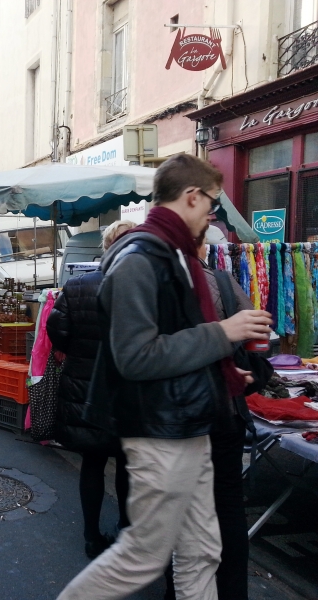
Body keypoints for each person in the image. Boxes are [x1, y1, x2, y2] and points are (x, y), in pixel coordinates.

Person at [57, 153, 272, 600]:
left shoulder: (171, 255)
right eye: (211, 205)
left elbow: (173, 340)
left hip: (187, 423)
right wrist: (223, 333)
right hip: (159, 429)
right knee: (144, 556)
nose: (212, 217)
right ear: (192, 197)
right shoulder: (141, 258)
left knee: (202, 551)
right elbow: (135, 357)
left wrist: (222, 370)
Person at [161, 227, 265, 600]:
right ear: (203, 244)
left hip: (176, 418)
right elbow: (259, 343)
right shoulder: (221, 281)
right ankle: (232, 592)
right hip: (225, 413)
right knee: (228, 506)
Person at [46, 220, 135, 560]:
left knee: (93, 462)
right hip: (128, 391)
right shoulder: (146, 285)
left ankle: (90, 534)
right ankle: (126, 531)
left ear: (107, 246)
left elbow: (58, 329)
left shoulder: (80, 285)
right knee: (127, 465)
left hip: (86, 388)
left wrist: (78, 350)